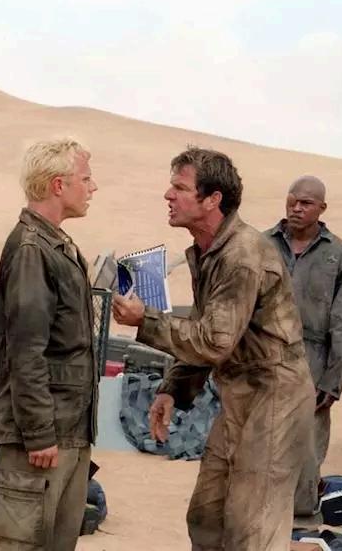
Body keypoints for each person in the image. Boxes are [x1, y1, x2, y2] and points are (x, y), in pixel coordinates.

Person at [112, 147, 315, 551]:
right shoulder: (210, 251)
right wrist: (174, 388)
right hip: (239, 393)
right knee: (208, 515)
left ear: (212, 199)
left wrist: (144, 320)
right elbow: (209, 325)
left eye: (180, 187)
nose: (168, 195)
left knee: (251, 524)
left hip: (275, 395)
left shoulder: (241, 255)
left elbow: (213, 341)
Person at [0, 139, 99, 551]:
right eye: (85, 179)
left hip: (69, 431)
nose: (93, 187)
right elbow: (26, 350)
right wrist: (38, 434)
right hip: (40, 438)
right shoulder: (32, 250)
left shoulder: (58, 246)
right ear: (58, 185)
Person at [265, 176, 342, 520]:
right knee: (258, 443)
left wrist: (333, 382)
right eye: (292, 201)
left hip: (313, 363)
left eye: (305, 203)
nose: (296, 208)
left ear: (322, 208)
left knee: (306, 449)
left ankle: (300, 520)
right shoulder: (261, 245)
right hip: (261, 357)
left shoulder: (341, 257)